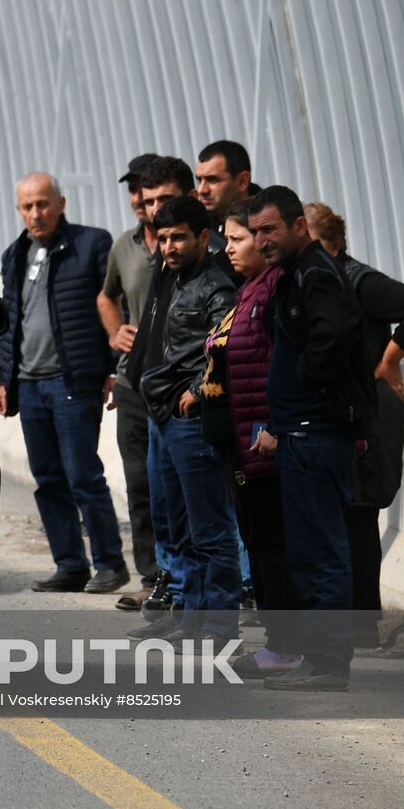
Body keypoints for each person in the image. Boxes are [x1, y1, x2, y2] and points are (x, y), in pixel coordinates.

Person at [249, 186, 376, 691]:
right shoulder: (294, 274)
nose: (261, 240)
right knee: (309, 550)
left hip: (315, 437)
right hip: (302, 435)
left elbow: (338, 331)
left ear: (299, 226)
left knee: (321, 551)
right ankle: (322, 659)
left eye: (270, 230)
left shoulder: (316, 272)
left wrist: (304, 375)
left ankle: (327, 662)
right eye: (255, 231)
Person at [305, 202, 404, 646]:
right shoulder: (317, 283)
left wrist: (388, 360)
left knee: (359, 514)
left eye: (316, 244)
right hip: (345, 410)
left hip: (370, 412)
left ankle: (362, 621)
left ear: (335, 244)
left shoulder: (358, 280)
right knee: (344, 515)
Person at [0, 173, 129, 593]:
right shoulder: (14, 254)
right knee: (48, 478)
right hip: (30, 384)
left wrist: (112, 368)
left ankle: (110, 564)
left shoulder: (92, 244)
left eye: (43, 204)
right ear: (19, 210)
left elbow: (115, 306)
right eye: (27, 206)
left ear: (61, 203)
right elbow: (10, 319)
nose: (36, 213)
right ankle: (70, 564)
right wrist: (5, 378)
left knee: (82, 474)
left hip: (74, 380)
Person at [126, 197, 240, 642]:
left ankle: (219, 624)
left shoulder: (215, 286)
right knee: (177, 527)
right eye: (163, 238)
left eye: (179, 237)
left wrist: (195, 393)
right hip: (162, 415)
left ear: (203, 238)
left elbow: (226, 347)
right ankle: (190, 621)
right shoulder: (168, 279)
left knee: (210, 527)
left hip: (191, 421)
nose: (169, 246)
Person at [199, 200, 302, 676]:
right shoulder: (249, 291)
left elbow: (279, 369)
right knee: (259, 544)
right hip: (241, 445)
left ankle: (286, 645)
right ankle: (276, 642)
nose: (230, 248)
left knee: (272, 546)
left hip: (263, 443)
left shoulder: (274, 292)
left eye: (237, 238)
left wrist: (273, 430)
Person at [124, 155, 197, 622]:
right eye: (149, 202)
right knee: (159, 504)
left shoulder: (206, 273)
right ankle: (169, 588)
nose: (155, 211)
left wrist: (195, 388)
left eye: (165, 201)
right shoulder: (158, 258)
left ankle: (205, 611)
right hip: (150, 399)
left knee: (202, 519)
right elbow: (110, 298)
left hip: (185, 406)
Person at [96, 155, 162, 610]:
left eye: (149, 192)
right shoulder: (125, 245)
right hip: (132, 384)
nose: (140, 200)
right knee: (139, 483)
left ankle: (187, 582)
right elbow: (106, 295)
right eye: (135, 190)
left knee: (177, 487)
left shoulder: (190, 242)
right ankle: (152, 577)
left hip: (177, 383)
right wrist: (115, 331)